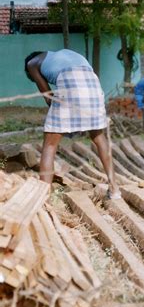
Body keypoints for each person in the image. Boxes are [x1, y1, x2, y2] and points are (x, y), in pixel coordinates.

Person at [25, 49, 120, 198]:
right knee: (99, 137)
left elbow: (49, 97)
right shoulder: (62, 54)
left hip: (70, 82)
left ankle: (44, 196)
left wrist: (62, 124)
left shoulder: (32, 64)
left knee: (50, 145)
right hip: (93, 84)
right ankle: (115, 189)